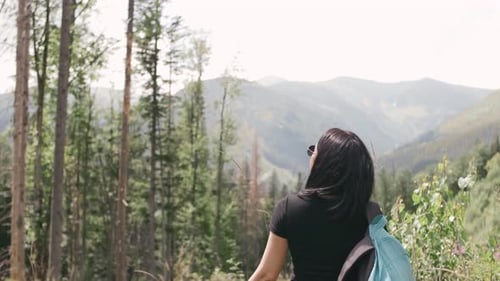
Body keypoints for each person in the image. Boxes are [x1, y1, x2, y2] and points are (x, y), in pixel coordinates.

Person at [249, 128, 375, 281]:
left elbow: (266, 275)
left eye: (313, 152)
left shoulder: (290, 209)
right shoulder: (370, 214)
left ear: (324, 163)